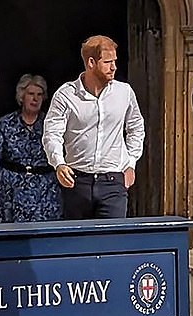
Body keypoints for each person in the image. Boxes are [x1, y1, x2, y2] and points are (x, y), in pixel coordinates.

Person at [42, 35, 145, 220]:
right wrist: (58, 163)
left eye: (114, 61)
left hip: (113, 181)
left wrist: (131, 162)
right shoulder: (66, 95)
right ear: (91, 62)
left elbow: (136, 126)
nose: (113, 67)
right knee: (77, 244)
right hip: (77, 181)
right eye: (107, 62)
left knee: (112, 243)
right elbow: (52, 134)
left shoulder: (124, 92)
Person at [0, 74, 62, 223]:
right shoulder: (6, 123)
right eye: (31, 94)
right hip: (10, 193)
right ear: (21, 96)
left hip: (44, 193)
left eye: (39, 95)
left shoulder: (51, 123)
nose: (35, 99)